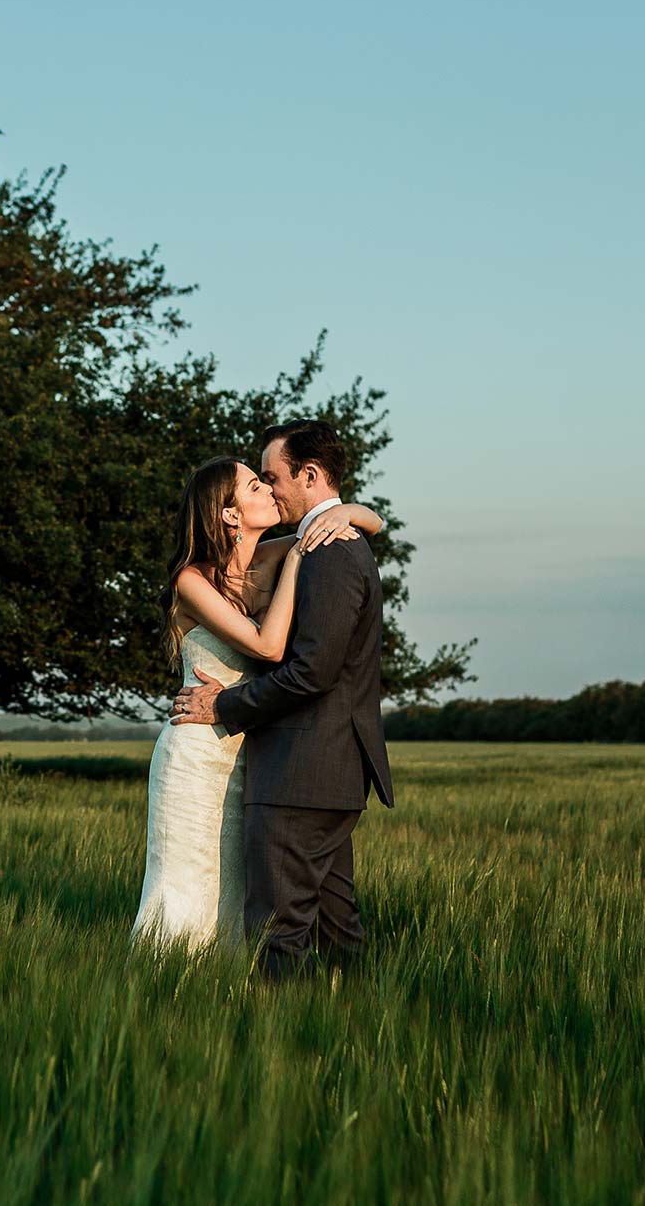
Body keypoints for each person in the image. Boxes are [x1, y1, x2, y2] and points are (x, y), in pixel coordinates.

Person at [168, 420, 394, 981]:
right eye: (257, 485)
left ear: (309, 475)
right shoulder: (297, 550)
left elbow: (309, 671)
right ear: (226, 514)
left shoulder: (326, 549)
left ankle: (280, 1035)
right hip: (291, 764)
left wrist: (223, 705)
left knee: (278, 931)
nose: (269, 490)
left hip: (300, 767)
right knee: (329, 923)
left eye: (271, 478)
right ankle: (347, 1020)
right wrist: (339, 518)